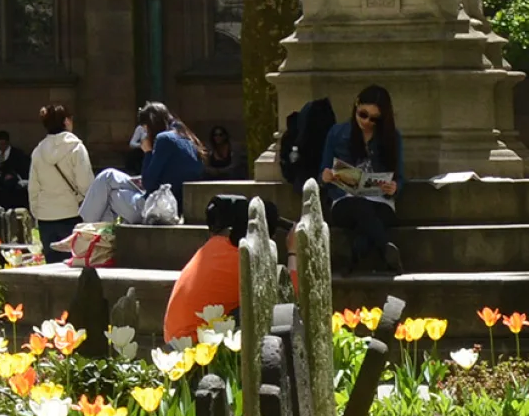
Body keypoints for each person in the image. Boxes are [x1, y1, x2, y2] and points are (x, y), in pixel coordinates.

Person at [163, 195, 289, 342]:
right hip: (197, 351)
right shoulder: (242, 259)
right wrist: (293, 251)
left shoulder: (210, 250)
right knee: (269, 309)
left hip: (173, 346)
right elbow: (290, 295)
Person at [319, 84, 404, 274]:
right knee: (361, 207)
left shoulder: (392, 138)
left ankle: (356, 255)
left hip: (380, 202)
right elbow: (322, 172)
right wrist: (326, 177)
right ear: (355, 107)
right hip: (345, 200)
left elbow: (400, 178)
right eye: (362, 114)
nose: (366, 121)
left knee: (370, 216)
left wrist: (394, 187)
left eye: (374, 119)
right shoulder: (337, 133)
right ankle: (385, 248)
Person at [80, 102, 205, 223]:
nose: (145, 135)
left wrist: (148, 152)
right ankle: (89, 231)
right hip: (171, 204)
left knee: (109, 189)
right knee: (108, 178)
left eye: (146, 130)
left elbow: (149, 183)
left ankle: (81, 228)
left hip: (155, 208)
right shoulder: (188, 138)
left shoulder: (164, 139)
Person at [27, 105, 93, 263]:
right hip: (72, 213)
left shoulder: (38, 152)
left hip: (46, 217)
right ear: (66, 121)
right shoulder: (77, 148)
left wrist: (37, 211)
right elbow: (86, 184)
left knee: (52, 268)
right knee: (74, 265)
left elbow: (33, 187)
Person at [0, 130, 31, 214]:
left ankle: (6, 209)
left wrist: (12, 174)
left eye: (3, 144)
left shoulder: (16, 153)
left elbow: (22, 168)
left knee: (8, 184)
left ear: (7, 143)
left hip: (11, 177)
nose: (1, 147)